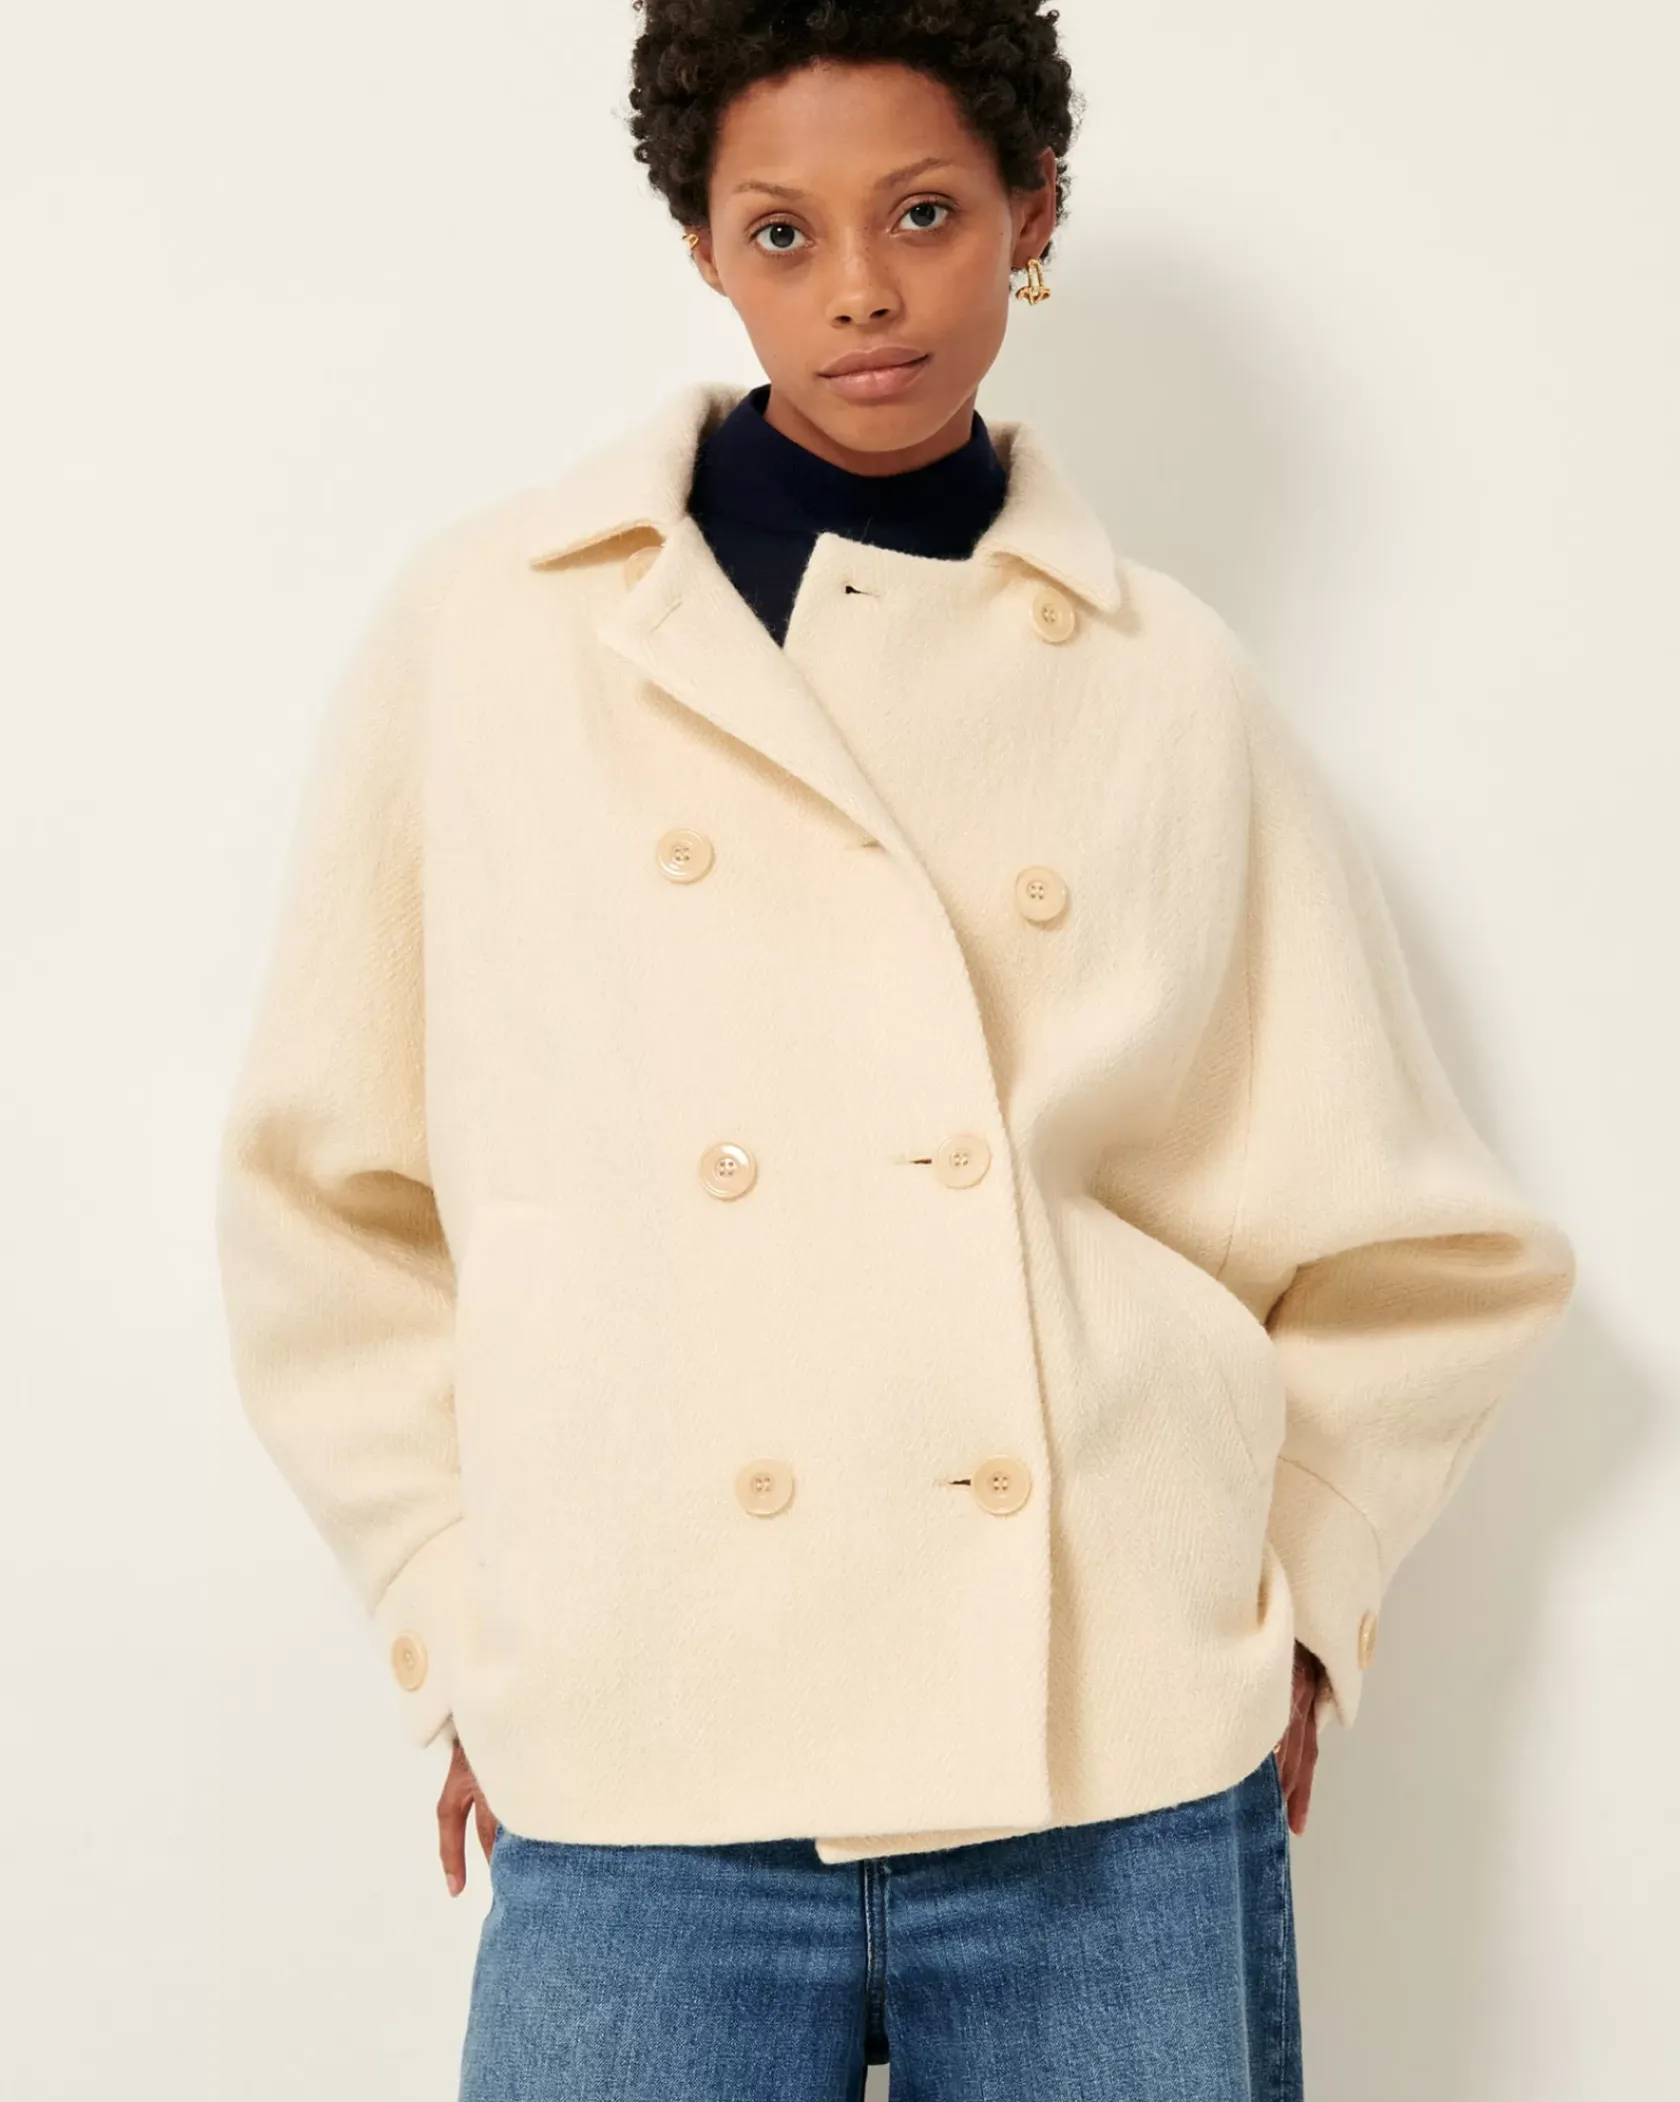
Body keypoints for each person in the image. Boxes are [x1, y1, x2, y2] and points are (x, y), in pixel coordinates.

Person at [213, 3, 1578, 2095]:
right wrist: (455, 1596)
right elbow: (328, 1199)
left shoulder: (1166, 681)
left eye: (925, 212)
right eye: (784, 230)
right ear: (703, 248)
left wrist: (1302, 1589)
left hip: (1106, 1766)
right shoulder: (495, 636)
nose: (860, 288)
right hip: (641, 1753)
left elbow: (1422, 1246)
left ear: (1033, 211)